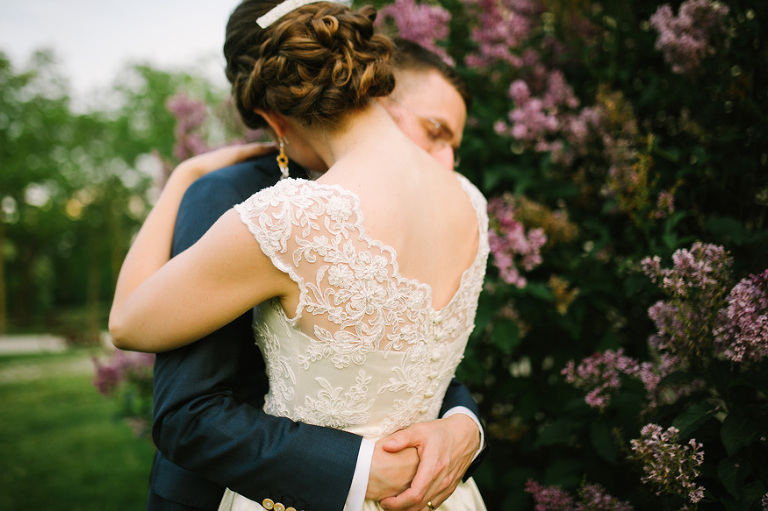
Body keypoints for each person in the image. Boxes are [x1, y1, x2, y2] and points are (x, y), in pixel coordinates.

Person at [109, 2, 489, 511]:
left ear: (272, 117)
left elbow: (127, 323)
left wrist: (182, 176)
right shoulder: (470, 201)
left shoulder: (290, 217)